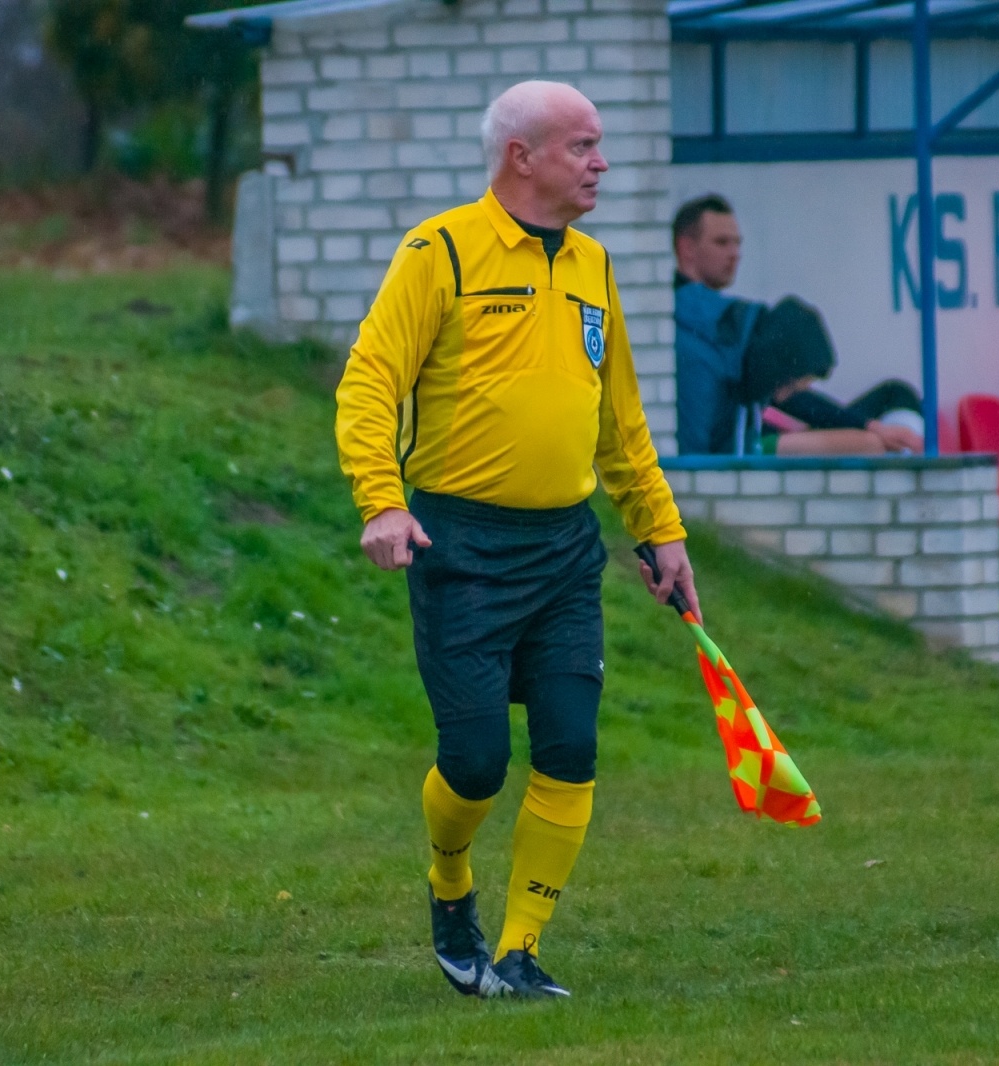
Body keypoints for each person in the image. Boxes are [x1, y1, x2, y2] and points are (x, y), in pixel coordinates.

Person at [334, 80, 700, 1000]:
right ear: (520, 157)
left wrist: (660, 531)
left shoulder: (596, 266)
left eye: (600, 145)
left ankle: (522, 950)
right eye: (583, 146)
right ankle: (449, 880)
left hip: (566, 554)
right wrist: (382, 502)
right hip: (460, 545)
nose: (601, 163)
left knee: (570, 747)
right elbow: (370, 381)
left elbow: (620, 422)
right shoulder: (440, 250)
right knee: (475, 764)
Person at [672, 194, 924, 456]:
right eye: (721, 242)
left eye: (737, 243)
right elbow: (699, 442)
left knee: (895, 395)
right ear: (687, 248)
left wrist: (869, 425)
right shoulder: (695, 325)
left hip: (747, 436)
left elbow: (784, 394)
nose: (735, 254)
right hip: (736, 451)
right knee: (869, 444)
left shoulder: (721, 322)